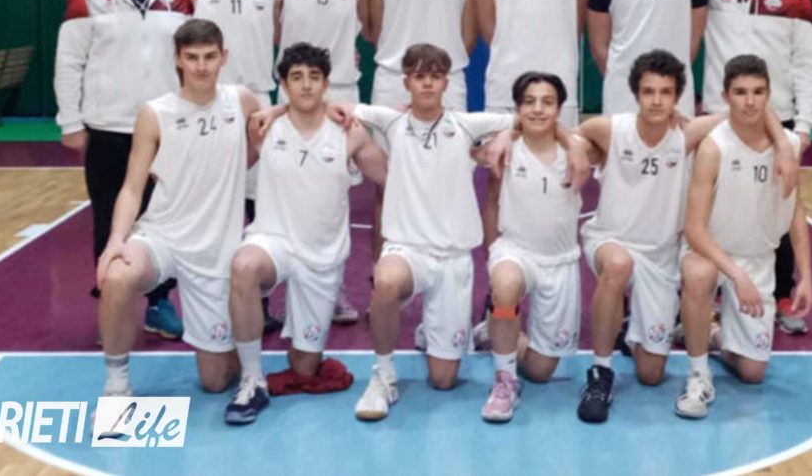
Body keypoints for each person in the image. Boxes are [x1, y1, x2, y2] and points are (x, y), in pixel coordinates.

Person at [342, 45, 582, 421]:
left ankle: (438, 333)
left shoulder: (467, 125)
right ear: (406, 81)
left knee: (443, 380)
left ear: (446, 83)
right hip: (407, 249)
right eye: (419, 76)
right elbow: (333, 107)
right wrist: (276, 110)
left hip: (454, 258)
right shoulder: (390, 121)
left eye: (435, 76)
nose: (427, 83)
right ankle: (383, 375)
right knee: (385, 282)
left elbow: (531, 118)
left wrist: (526, 138)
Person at [572, 50, 796, 424]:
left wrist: (785, 147)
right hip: (611, 240)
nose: (656, 100)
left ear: (677, 97)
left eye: (665, 92)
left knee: (651, 373)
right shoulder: (611, 129)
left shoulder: (686, 134)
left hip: (660, 255)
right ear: (636, 94)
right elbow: (571, 134)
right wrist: (578, 149)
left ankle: (634, 334)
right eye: (648, 92)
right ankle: (600, 373)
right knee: (618, 265)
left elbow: (752, 110)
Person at [95, 19, 262, 399]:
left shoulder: (242, 101)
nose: (201, 66)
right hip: (162, 235)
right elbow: (132, 187)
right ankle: (116, 385)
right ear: (177, 59)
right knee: (117, 276)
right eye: (192, 57)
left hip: (217, 251)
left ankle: (233, 349)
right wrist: (116, 240)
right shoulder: (154, 113)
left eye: (209, 56)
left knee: (215, 381)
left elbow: (261, 143)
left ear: (224, 57)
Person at [225, 43, 387, 424]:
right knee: (244, 266)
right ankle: (252, 380)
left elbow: (392, 177)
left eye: (314, 77)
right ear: (283, 84)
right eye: (296, 77)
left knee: (305, 367)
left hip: (322, 256)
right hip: (273, 241)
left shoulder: (349, 133)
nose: (306, 85)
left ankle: (300, 351)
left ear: (326, 84)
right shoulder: (264, 127)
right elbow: (227, 170)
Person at [54, 0, 191, 342]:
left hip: (165, 130)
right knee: (110, 221)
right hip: (109, 130)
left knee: (164, 220)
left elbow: (189, 63)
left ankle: (159, 303)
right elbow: (68, 64)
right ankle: (112, 305)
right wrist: (71, 121)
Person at [675, 54, 812, 420]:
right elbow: (694, 229)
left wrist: (806, 276)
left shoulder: (788, 146)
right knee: (699, 274)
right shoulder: (713, 147)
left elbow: (796, 211)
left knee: (753, 373)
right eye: (740, 92)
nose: (750, 101)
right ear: (725, 96)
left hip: (758, 258)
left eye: (758, 92)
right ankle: (698, 375)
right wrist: (736, 275)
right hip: (710, 251)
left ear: (769, 95)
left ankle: (712, 333)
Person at [703, 0, 812, 336]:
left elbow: (807, 64)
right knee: (712, 210)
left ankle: (783, 295)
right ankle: (705, 297)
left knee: (779, 211)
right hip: (720, 117)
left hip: (778, 119)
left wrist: (803, 126)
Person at [475, 0, 591, 246]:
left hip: (560, 80)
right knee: (499, 181)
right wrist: (513, 51)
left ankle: (556, 258)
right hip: (506, 82)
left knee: (563, 180)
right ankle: (497, 269)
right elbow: (488, 26)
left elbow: (577, 20)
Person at [367, 0, 476, 263]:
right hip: (392, 81)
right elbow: (375, 29)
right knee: (387, 182)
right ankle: (381, 271)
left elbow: (469, 32)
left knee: (449, 181)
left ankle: (445, 266)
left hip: (449, 81)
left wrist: (442, 68)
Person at [187, 0, 284, 333]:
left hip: (258, 102)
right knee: (214, 211)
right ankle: (211, 301)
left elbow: (283, 32)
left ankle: (259, 301)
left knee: (260, 211)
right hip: (209, 104)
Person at [275, 0, 371, 323]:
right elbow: (275, 31)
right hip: (294, 96)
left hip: (342, 94)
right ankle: (296, 286)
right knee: (292, 195)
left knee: (335, 199)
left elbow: (369, 29)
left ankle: (334, 288)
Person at [478, 72, 583, 423]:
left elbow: (612, 134)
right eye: (529, 102)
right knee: (505, 284)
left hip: (560, 261)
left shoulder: (579, 150)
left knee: (540, 371)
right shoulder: (503, 151)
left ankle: (493, 329)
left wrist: (572, 140)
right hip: (516, 251)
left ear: (560, 109)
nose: (538, 109)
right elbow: (490, 201)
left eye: (547, 102)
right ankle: (504, 380)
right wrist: (493, 252)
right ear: (517, 108)